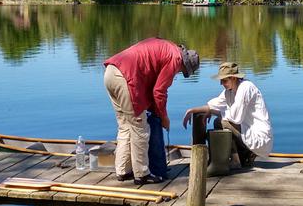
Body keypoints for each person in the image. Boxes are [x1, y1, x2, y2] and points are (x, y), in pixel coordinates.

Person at [104, 38, 199, 184]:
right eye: (183, 71)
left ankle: (123, 170)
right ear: (184, 64)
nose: (179, 72)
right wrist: (164, 117)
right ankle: (141, 174)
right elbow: (159, 91)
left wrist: (156, 111)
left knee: (125, 126)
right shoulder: (175, 59)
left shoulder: (168, 48)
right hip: (125, 77)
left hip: (111, 72)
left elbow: (150, 82)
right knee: (140, 128)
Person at [182, 62, 272, 167]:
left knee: (221, 122)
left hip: (260, 137)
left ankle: (235, 161)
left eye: (224, 80)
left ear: (233, 78)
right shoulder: (229, 91)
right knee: (220, 121)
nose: (221, 83)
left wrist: (215, 113)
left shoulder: (245, 88)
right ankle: (243, 156)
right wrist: (192, 110)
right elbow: (213, 105)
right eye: (221, 80)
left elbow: (235, 118)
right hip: (246, 132)